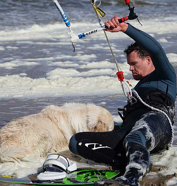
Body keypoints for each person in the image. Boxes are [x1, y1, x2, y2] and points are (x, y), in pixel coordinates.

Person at [69, 16, 176, 186]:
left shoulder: (166, 77)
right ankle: (134, 162)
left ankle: (131, 178)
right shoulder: (138, 88)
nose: (130, 69)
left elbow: (156, 50)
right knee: (76, 142)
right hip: (131, 132)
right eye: (129, 65)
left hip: (157, 125)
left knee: (135, 137)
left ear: (148, 60)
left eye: (134, 64)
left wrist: (126, 28)